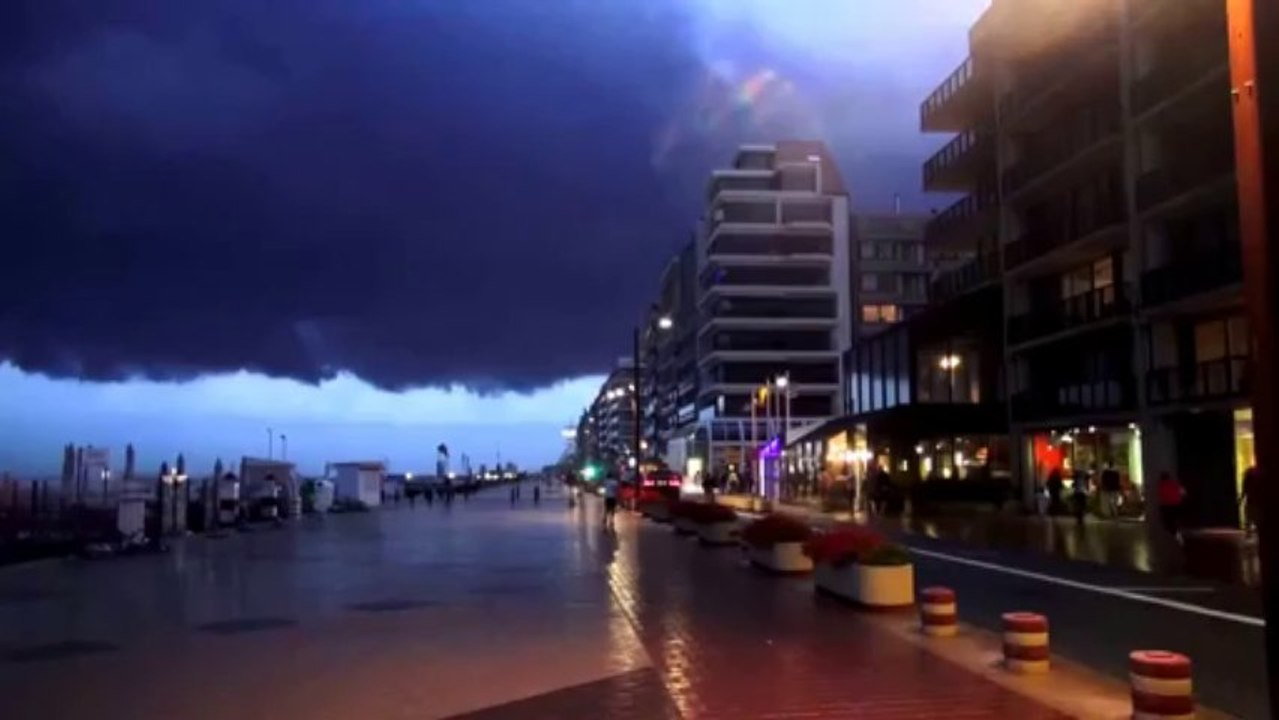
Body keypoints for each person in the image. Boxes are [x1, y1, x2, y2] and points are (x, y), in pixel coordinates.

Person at [1157, 471, 1186, 539]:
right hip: (1176, 505)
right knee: (1175, 519)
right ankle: (1177, 533)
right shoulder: (1175, 484)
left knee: (1168, 522)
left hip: (1166, 506)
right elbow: (1183, 493)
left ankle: (1173, 534)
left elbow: (1161, 496)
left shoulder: (1161, 485)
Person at [1241, 465, 1259, 537]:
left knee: (1249, 517)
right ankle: (1250, 532)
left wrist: (1241, 499)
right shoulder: (1255, 481)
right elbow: (1244, 490)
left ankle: (1249, 533)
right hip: (1254, 501)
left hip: (1252, 501)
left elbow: (1244, 490)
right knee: (1253, 517)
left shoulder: (1248, 480)